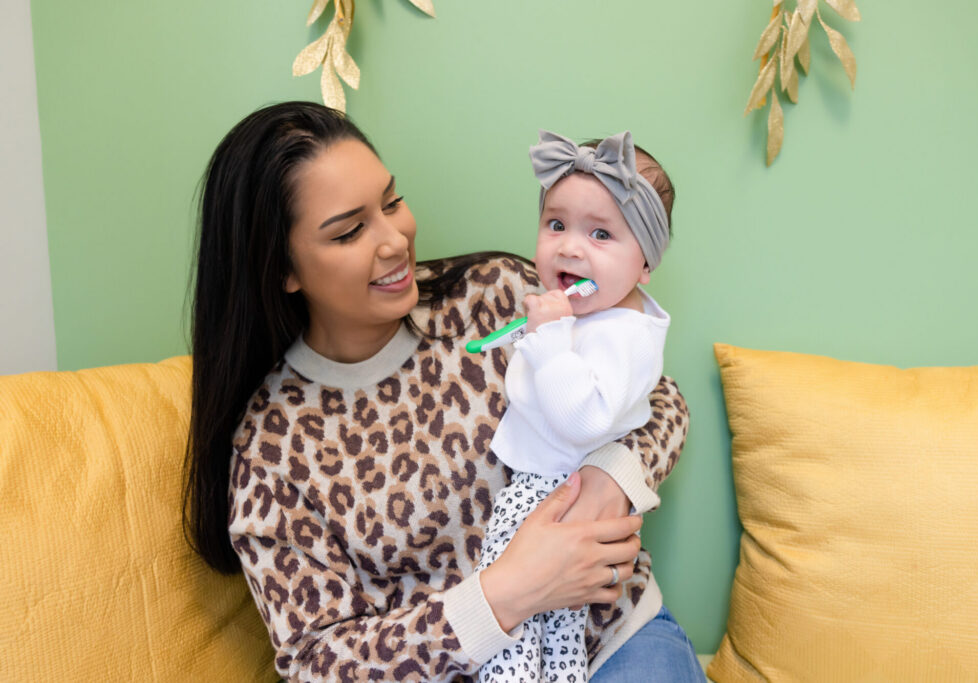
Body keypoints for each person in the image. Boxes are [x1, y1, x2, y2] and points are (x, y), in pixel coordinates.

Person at [182, 101, 702, 682]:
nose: (394, 240)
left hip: (611, 640)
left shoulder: (498, 295)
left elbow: (661, 401)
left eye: (392, 203)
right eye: (350, 231)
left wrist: (611, 481)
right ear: (282, 268)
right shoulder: (274, 449)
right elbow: (317, 662)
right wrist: (508, 593)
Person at [475, 130, 679, 683]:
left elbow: (583, 419)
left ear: (645, 263)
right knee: (557, 626)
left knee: (512, 620)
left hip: (553, 496)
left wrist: (547, 339)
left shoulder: (625, 333)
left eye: (601, 233)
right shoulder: (596, 316)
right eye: (556, 224)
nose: (569, 247)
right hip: (553, 490)